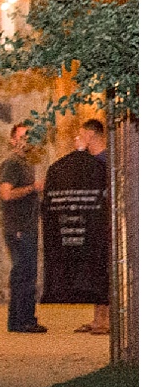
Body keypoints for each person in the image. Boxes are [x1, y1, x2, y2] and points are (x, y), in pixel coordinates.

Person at [0, 122, 46, 332]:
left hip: (27, 225)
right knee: (23, 273)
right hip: (18, 226)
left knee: (26, 273)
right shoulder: (12, 164)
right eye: (22, 136)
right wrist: (32, 188)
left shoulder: (25, 163)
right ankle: (21, 320)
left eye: (29, 137)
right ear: (12, 140)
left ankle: (23, 319)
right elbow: (6, 193)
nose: (26, 141)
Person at [76, 118, 110, 335]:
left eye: (81, 134)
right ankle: (97, 318)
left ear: (90, 135)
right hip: (91, 222)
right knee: (94, 271)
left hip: (104, 222)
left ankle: (104, 320)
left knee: (104, 270)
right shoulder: (89, 160)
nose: (78, 138)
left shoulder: (104, 160)